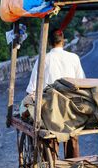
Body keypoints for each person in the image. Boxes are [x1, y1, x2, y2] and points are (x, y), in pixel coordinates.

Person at [26, 29, 85, 159]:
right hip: (72, 108)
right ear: (63, 40)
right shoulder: (74, 58)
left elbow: (32, 88)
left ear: (49, 43)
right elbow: (82, 83)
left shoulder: (43, 59)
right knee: (72, 135)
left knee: (51, 138)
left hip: (51, 109)